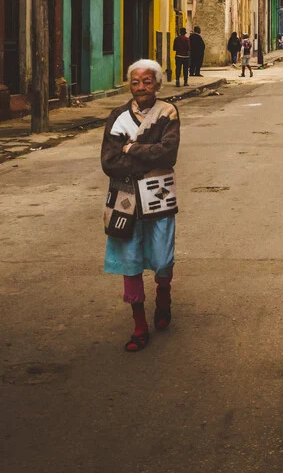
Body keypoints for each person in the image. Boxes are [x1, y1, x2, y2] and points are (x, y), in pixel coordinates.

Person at [101, 60, 180, 353]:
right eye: (135, 82)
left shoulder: (168, 113)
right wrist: (148, 156)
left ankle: (163, 295)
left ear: (158, 84)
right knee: (129, 261)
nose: (141, 88)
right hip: (125, 199)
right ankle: (139, 325)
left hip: (158, 196)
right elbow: (109, 161)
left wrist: (130, 148)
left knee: (163, 258)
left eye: (147, 82)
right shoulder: (118, 116)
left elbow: (168, 154)